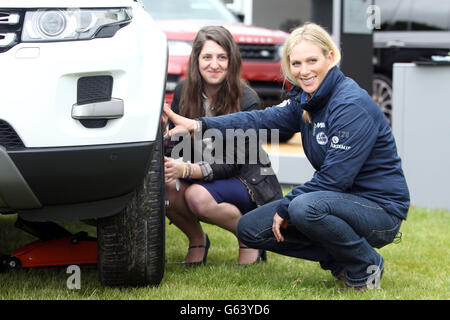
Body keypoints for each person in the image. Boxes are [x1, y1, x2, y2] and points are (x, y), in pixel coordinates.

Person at [164, 23, 410, 289]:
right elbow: (259, 119)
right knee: (250, 228)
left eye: (312, 61)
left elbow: (333, 180)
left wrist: (285, 206)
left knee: (303, 208)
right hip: (338, 201)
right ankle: (342, 261)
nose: (304, 71)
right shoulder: (306, 100)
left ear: (330, 57)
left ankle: (366, 264)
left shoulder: (350, 105)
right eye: (296, 63)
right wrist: (199, 125)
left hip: (379, 210)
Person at [163, 26, 283, 266]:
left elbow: (232, 162)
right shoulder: (183, 91)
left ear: (231, 61)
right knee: (164, 187)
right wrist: (165, 147)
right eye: (207, 57)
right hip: (205, 172)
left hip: (247, 180)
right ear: (196, 60)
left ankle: (250, 238)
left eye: (221, 57)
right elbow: (176, 147)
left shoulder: (247, 98)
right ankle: (197, 240)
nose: (214, 64)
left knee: (197, 196)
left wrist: (187, 171)